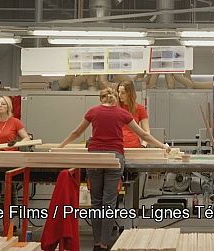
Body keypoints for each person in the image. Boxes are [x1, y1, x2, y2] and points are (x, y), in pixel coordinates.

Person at [58, 87, 169, 250]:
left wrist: (60, 147)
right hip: (114, 159)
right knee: (109, 203)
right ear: (115, 98)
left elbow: (76, 133)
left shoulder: (93, 112)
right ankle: (104, 244)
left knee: (96, 202)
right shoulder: (122, 113)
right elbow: (144, 135)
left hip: (94, 159)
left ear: (100, 98)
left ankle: (96, 243)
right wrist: (162, 146)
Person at [117, 80, 150, 148]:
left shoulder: (140, 108)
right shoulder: (115, 108)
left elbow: (146, 131)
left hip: (133, 146)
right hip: (117, 146)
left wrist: (143, 145)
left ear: (130, 93)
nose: (119, 95)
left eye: (123, 93)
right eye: (118, 92)